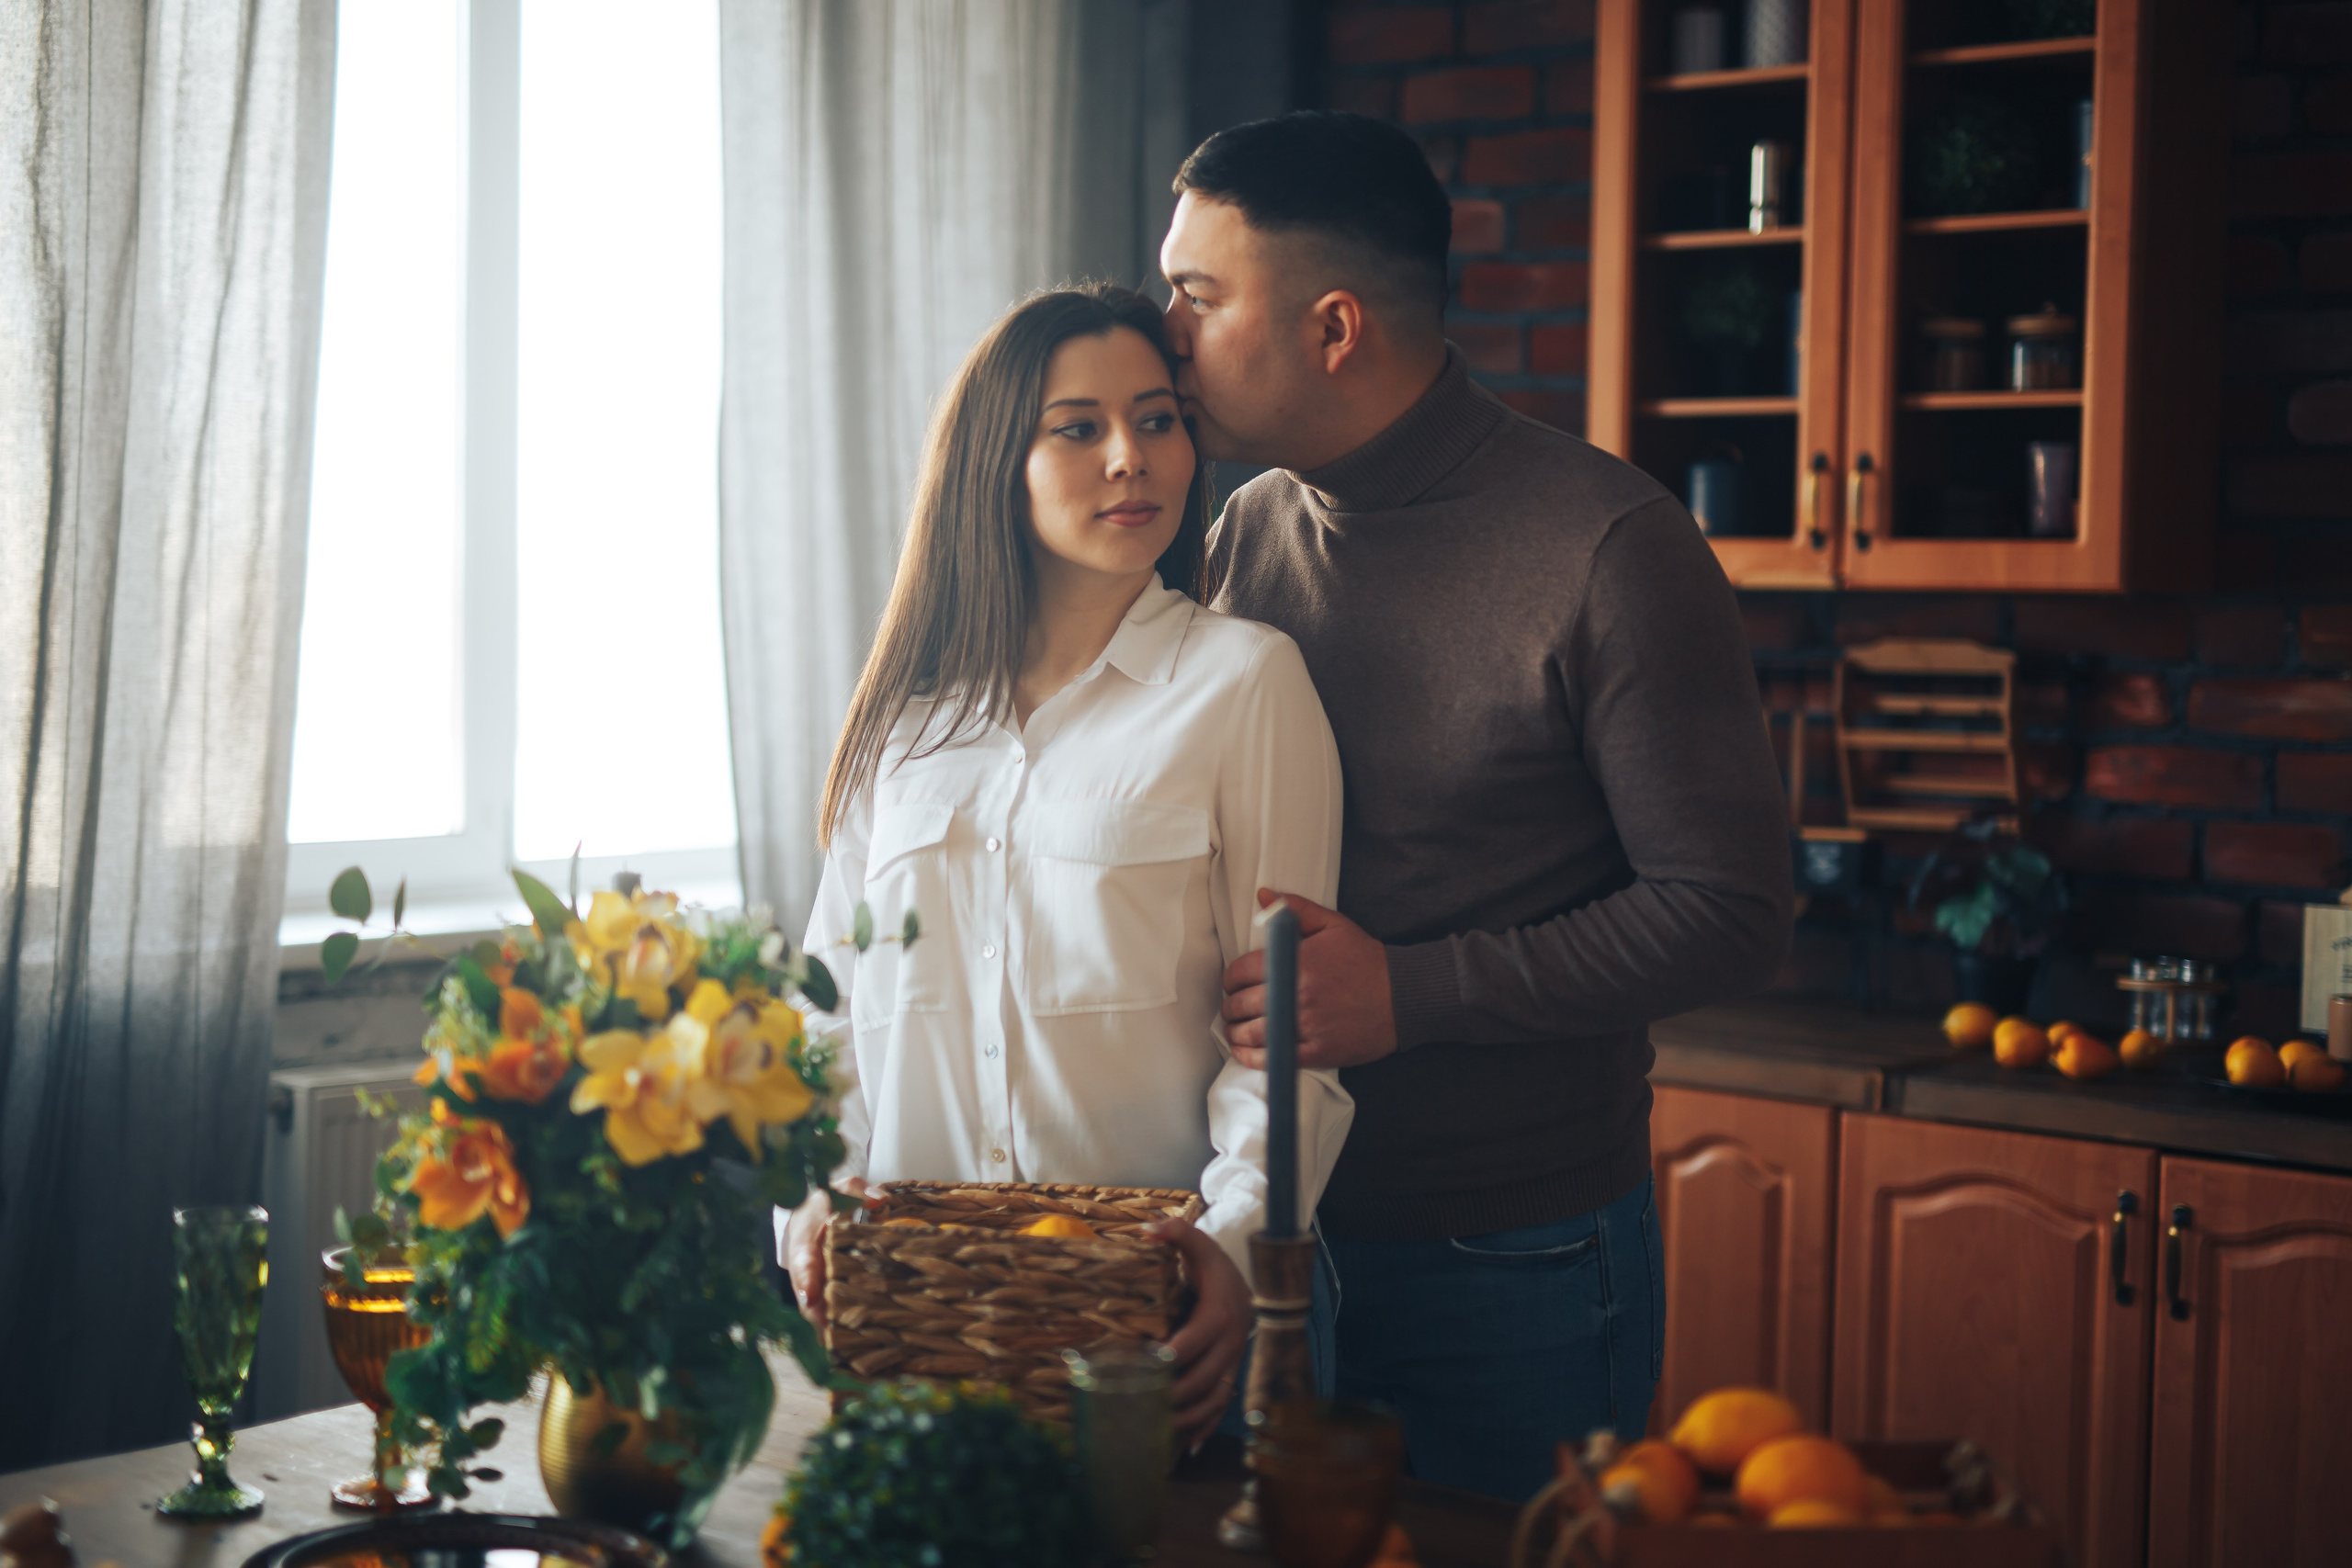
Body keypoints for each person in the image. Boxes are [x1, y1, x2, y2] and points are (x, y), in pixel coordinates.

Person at [1158, 111, 1794, 1500]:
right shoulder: (1243, 529)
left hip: (1516, 1258)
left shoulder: (1613, 549)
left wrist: (1412, 991)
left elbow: (1735, 914)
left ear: (1332, 327)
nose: (1165, 336)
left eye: (1197, 298)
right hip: (1266, 1237)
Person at [780, 284, 1352, 1447]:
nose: (1129, 459)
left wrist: (1239, 1250)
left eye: (1157, 419)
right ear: (998, 459)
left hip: (1161, 1329)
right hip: (916, 1333)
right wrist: (813, 1214)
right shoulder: (902, 725)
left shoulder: (1244, 684)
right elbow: (823, 1023)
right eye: (1078, 427)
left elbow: (1288, 1048)